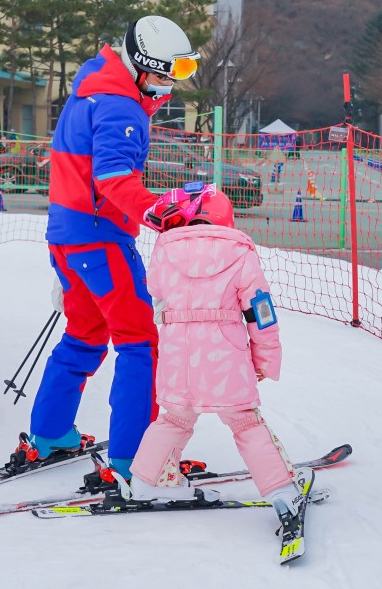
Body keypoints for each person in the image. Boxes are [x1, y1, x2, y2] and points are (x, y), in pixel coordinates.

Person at [10, 16, 201, 485]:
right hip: (100, 240)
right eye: (161, 77)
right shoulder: (120, 105)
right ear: (139, 68)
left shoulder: (93, 89)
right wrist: (158, 213)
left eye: (176, 77)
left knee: (86, 334)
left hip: (68, 237)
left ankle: (51, 433)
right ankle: (137, 459)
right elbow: (114, 178)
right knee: (141, 345)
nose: (166, 89)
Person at [128, 184, 307, 526]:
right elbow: (260, 311)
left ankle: (146, 480)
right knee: (244, 422)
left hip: (177, 352)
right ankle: (283, 492)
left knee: (174, 418)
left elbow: (156, 293)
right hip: (224, 355)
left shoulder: (164, 250)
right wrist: (266, 359)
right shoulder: (240, 252)